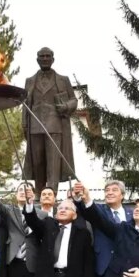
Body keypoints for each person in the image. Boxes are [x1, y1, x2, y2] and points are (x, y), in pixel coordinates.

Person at [22, 47, 78, 194]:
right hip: (34, 125)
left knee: (53, 163)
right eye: (42, 56)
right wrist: (24, 124)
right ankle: (39, 194)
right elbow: (26, 104)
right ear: (37, 59)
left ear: (53, 59)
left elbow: (74, 100)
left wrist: (66, 106)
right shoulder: (30, 81)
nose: (45, 59)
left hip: (55, 126)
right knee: (38, 162)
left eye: (48, 56)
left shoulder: (63, 80)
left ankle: (51, 193)